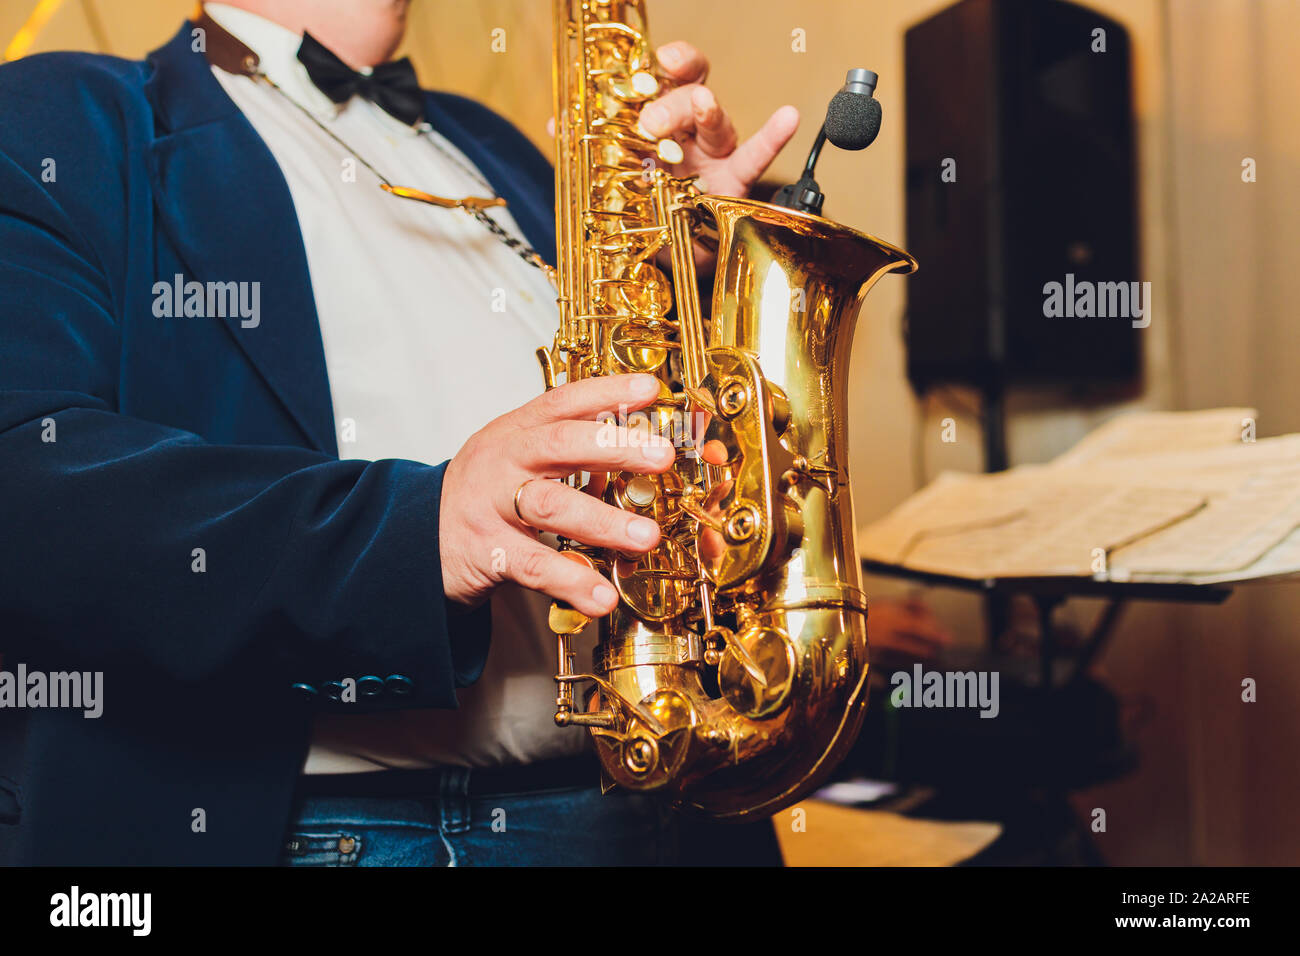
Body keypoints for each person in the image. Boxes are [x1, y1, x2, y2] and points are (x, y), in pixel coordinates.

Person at [0, 0, 804, 865]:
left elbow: (645, 441)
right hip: (324, 831)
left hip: (652, 810)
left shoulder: (494, 144)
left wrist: (698, 273)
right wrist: (421, 531)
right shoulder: (58, 112)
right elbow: (30, 480)